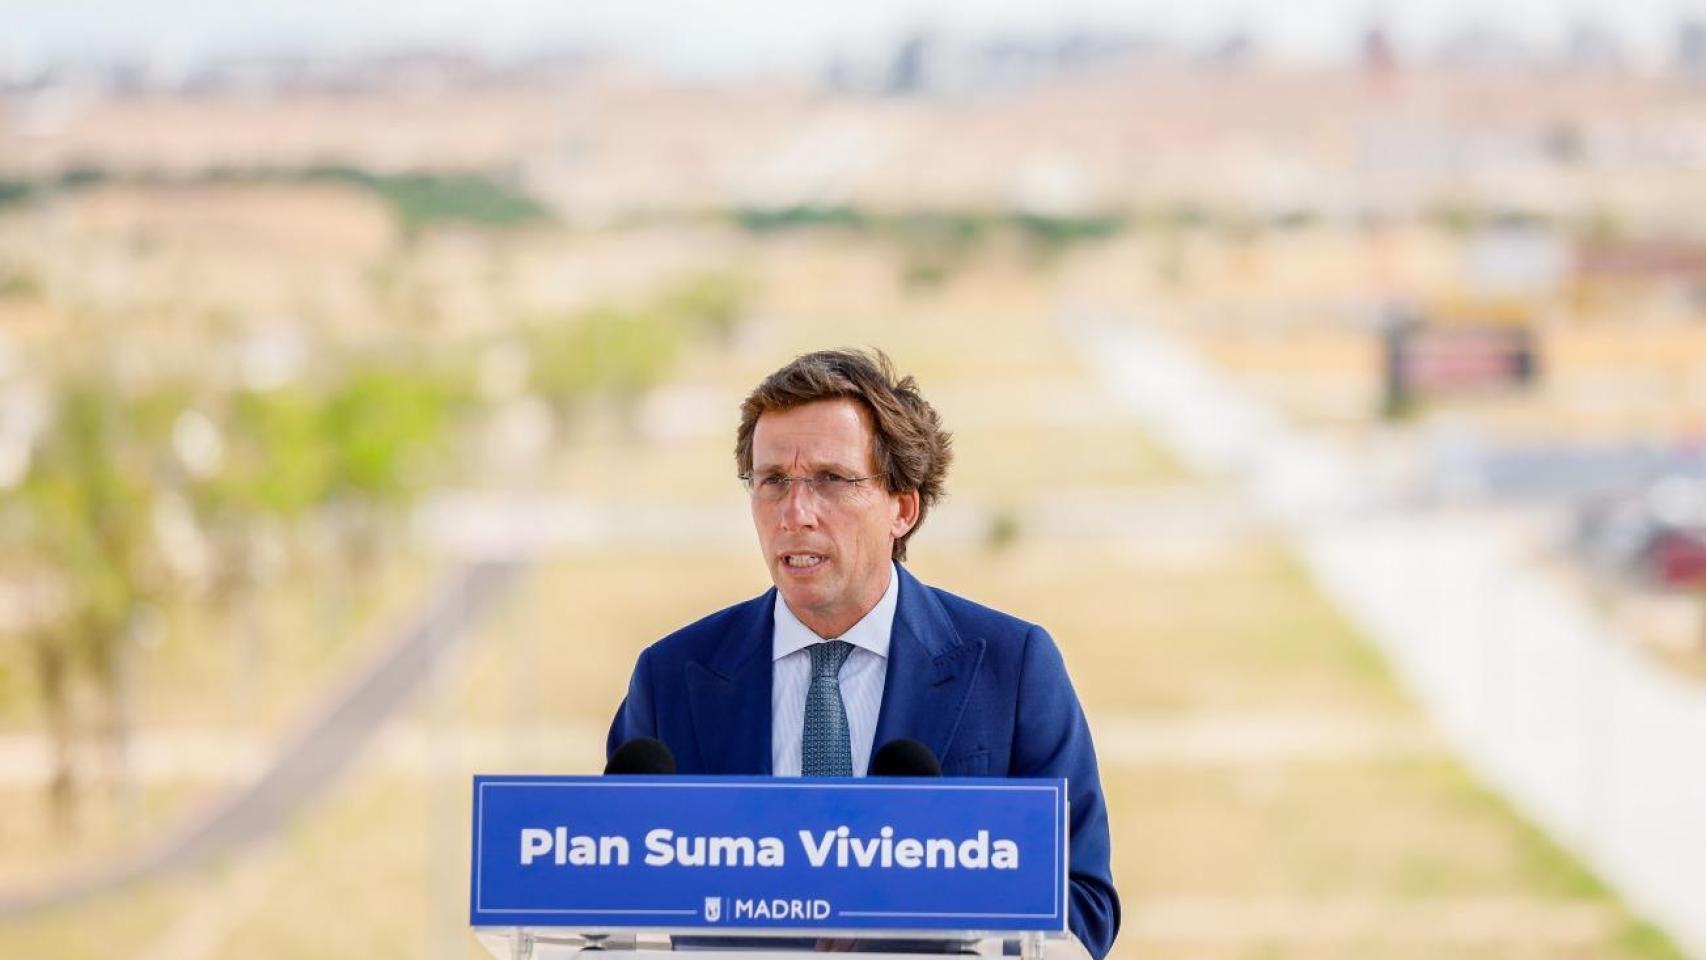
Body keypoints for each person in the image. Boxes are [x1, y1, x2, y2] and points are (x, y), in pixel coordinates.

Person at [607, 349, 1119, 959]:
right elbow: (608, 896)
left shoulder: (1011, 667)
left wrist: (957, 921)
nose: (795, 514)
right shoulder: (672, 678)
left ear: (903, 507)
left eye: (830, 480)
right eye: (773, 481)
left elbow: (1085, 906)